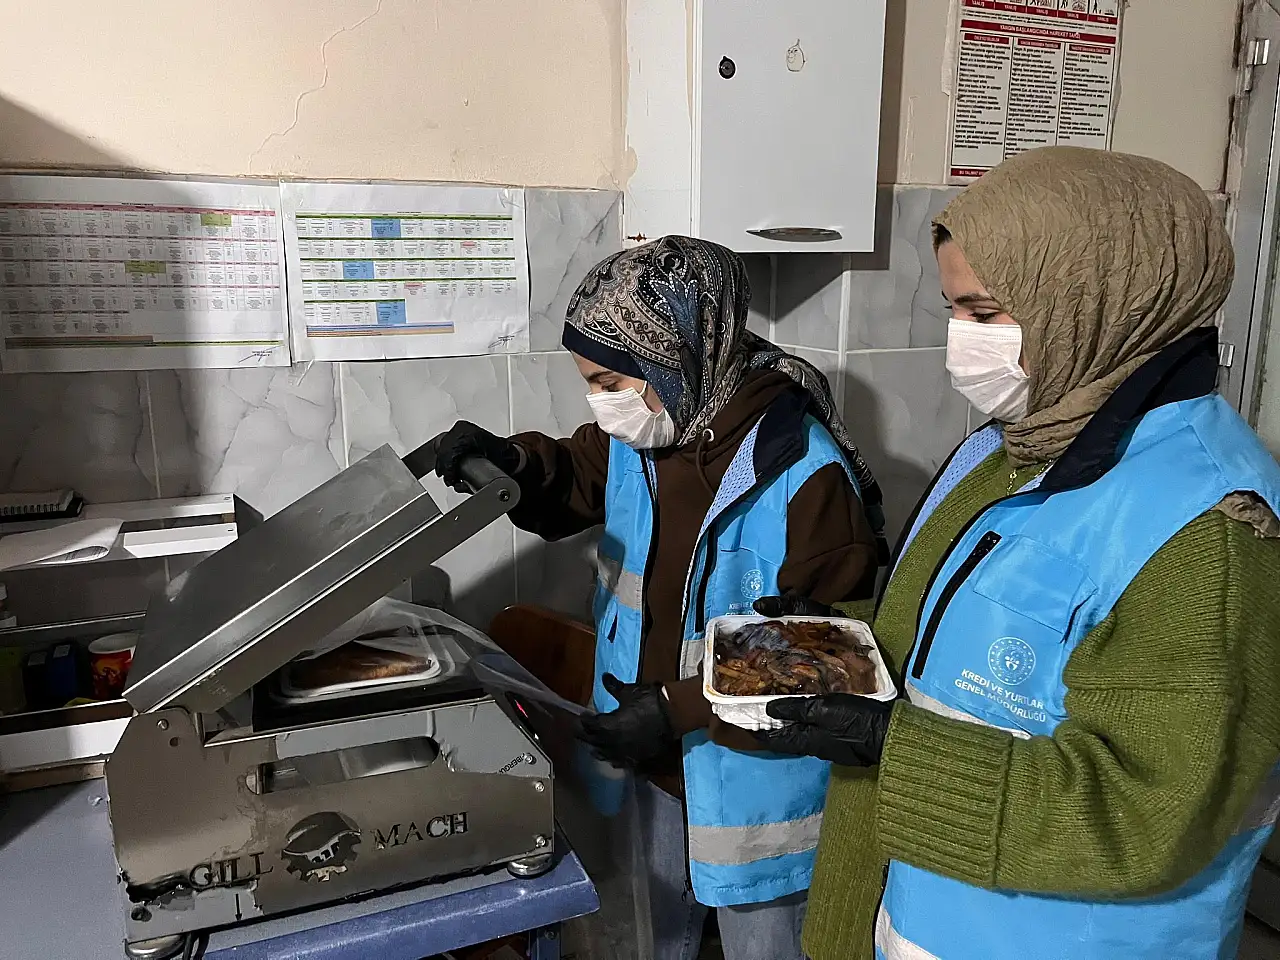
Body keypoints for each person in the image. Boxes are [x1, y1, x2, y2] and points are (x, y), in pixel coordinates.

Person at [755, 146, 1280, 959]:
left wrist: (894, 746)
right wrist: (838, 634)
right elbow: (966, 634)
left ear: (1098, 301)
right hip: (927, 914)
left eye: (988, 314)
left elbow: (1151, 815)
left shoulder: (1208, 533)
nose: (962, 345)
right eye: (956, 311)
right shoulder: (1023, 448)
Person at [433, 235, 884, 960]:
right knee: (643, 940)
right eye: (592, 383)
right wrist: (513, 460)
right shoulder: (651, 431)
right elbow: (578, 471)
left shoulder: (805, 473)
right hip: (647, 765)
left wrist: (676, 708)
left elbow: (831, 656)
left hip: (749, 788)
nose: (602, 402)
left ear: (674, 358)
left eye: (611, 381)